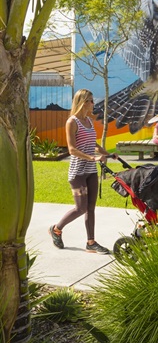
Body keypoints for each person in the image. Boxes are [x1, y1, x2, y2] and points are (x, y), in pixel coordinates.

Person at [49, 89, 117, 254]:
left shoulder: (88, 121)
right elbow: (72, 149)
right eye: (91, 101)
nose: (94, 104)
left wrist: (107, 154)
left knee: (91, 208)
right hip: (78, 172)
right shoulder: (72, 122)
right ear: (84, 102)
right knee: (81, 208)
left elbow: (93, 144)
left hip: (90, 171)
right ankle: (56, 229)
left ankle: (91, 242)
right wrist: (93, 158)